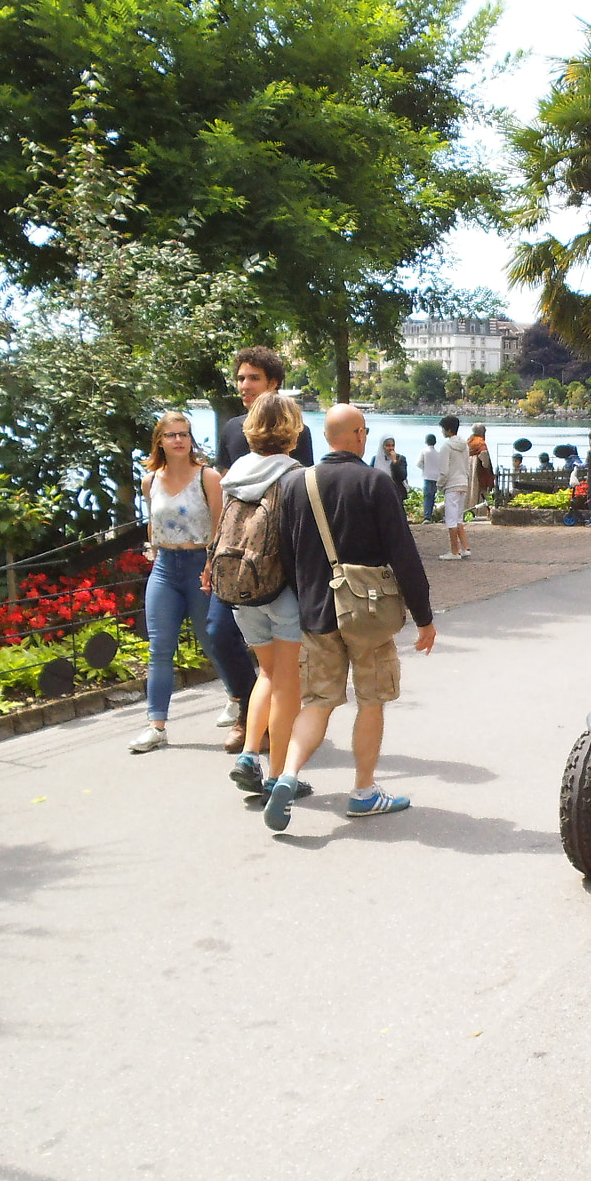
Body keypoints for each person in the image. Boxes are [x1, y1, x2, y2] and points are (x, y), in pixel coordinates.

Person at [261, 404, 437, 827]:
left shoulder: (293, 484)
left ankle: (286, 774)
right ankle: (362, 790)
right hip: (369, 614)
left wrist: (306, 600)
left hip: (316, 612)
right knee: (371, 701)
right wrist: (424, 616)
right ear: (359, 434)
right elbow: (403, 554)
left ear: (326, 438)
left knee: (319, 702)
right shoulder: (375, 482)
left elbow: (285, 552)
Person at [208, 347, 310, 755]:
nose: (244, 385)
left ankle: (252, 749)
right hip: (257, 571)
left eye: (252, 378)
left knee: (270, 673)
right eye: (240, 378)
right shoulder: (239, 432)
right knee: (284, 677)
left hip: (257, 571)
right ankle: (277, 770)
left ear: (273, 383)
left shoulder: (279, 439)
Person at [130, 413, 227, 754]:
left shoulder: (208, 477)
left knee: (213, 639)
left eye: (184, 434)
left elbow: (219, 526)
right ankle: (156, 725)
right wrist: (152, 549)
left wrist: (212, 566)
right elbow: (152, 522)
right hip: (165, 567)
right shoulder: (150, 481)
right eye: (171, 435)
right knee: (160, 648)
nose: (178, 440)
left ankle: (238, 700)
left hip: (201, 564)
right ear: (160, 441)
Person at [437, 414, 473, 560]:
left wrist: (440, 485)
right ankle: (465, 548)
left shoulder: (446, 446)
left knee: (451, 519)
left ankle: (454, 551)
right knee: (459, 517)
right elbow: (468, 466)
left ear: (448, 430)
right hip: (463, 482)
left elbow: (444, 470)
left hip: (451, 484)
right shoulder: (465, 445)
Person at [416, 433, 442, 523]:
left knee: (427, 496)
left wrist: (424, 468)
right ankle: (430, 515)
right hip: (435, 477)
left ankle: (427, 516)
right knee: (432, 496)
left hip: (427, 476)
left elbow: (419, 463)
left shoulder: (424, 451)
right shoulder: (438, 453)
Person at [373, 436, 408, 502]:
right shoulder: (376, 459)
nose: (391, 448)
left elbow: (402, 476)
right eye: (388, 446)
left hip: (396, 493)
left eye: (392, 445)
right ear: (383, 446)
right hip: (380, 492)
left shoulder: (400, 459)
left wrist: (394, 462)